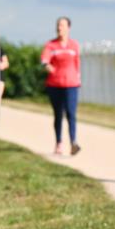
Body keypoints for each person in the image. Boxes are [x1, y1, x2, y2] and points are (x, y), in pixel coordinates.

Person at [41, 16, 81, 156]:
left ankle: (73, 143)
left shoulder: (74, 45)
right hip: (55, 84)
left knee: (71, 113)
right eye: (58, 25)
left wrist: (78, 78)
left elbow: (77, 63)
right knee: (58, 114)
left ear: (68, 28)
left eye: (62, 25)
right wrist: (47, 66)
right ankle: (58, 143)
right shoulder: (51, 45)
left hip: (71, 84)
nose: (59, 28)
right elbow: (44, 60)